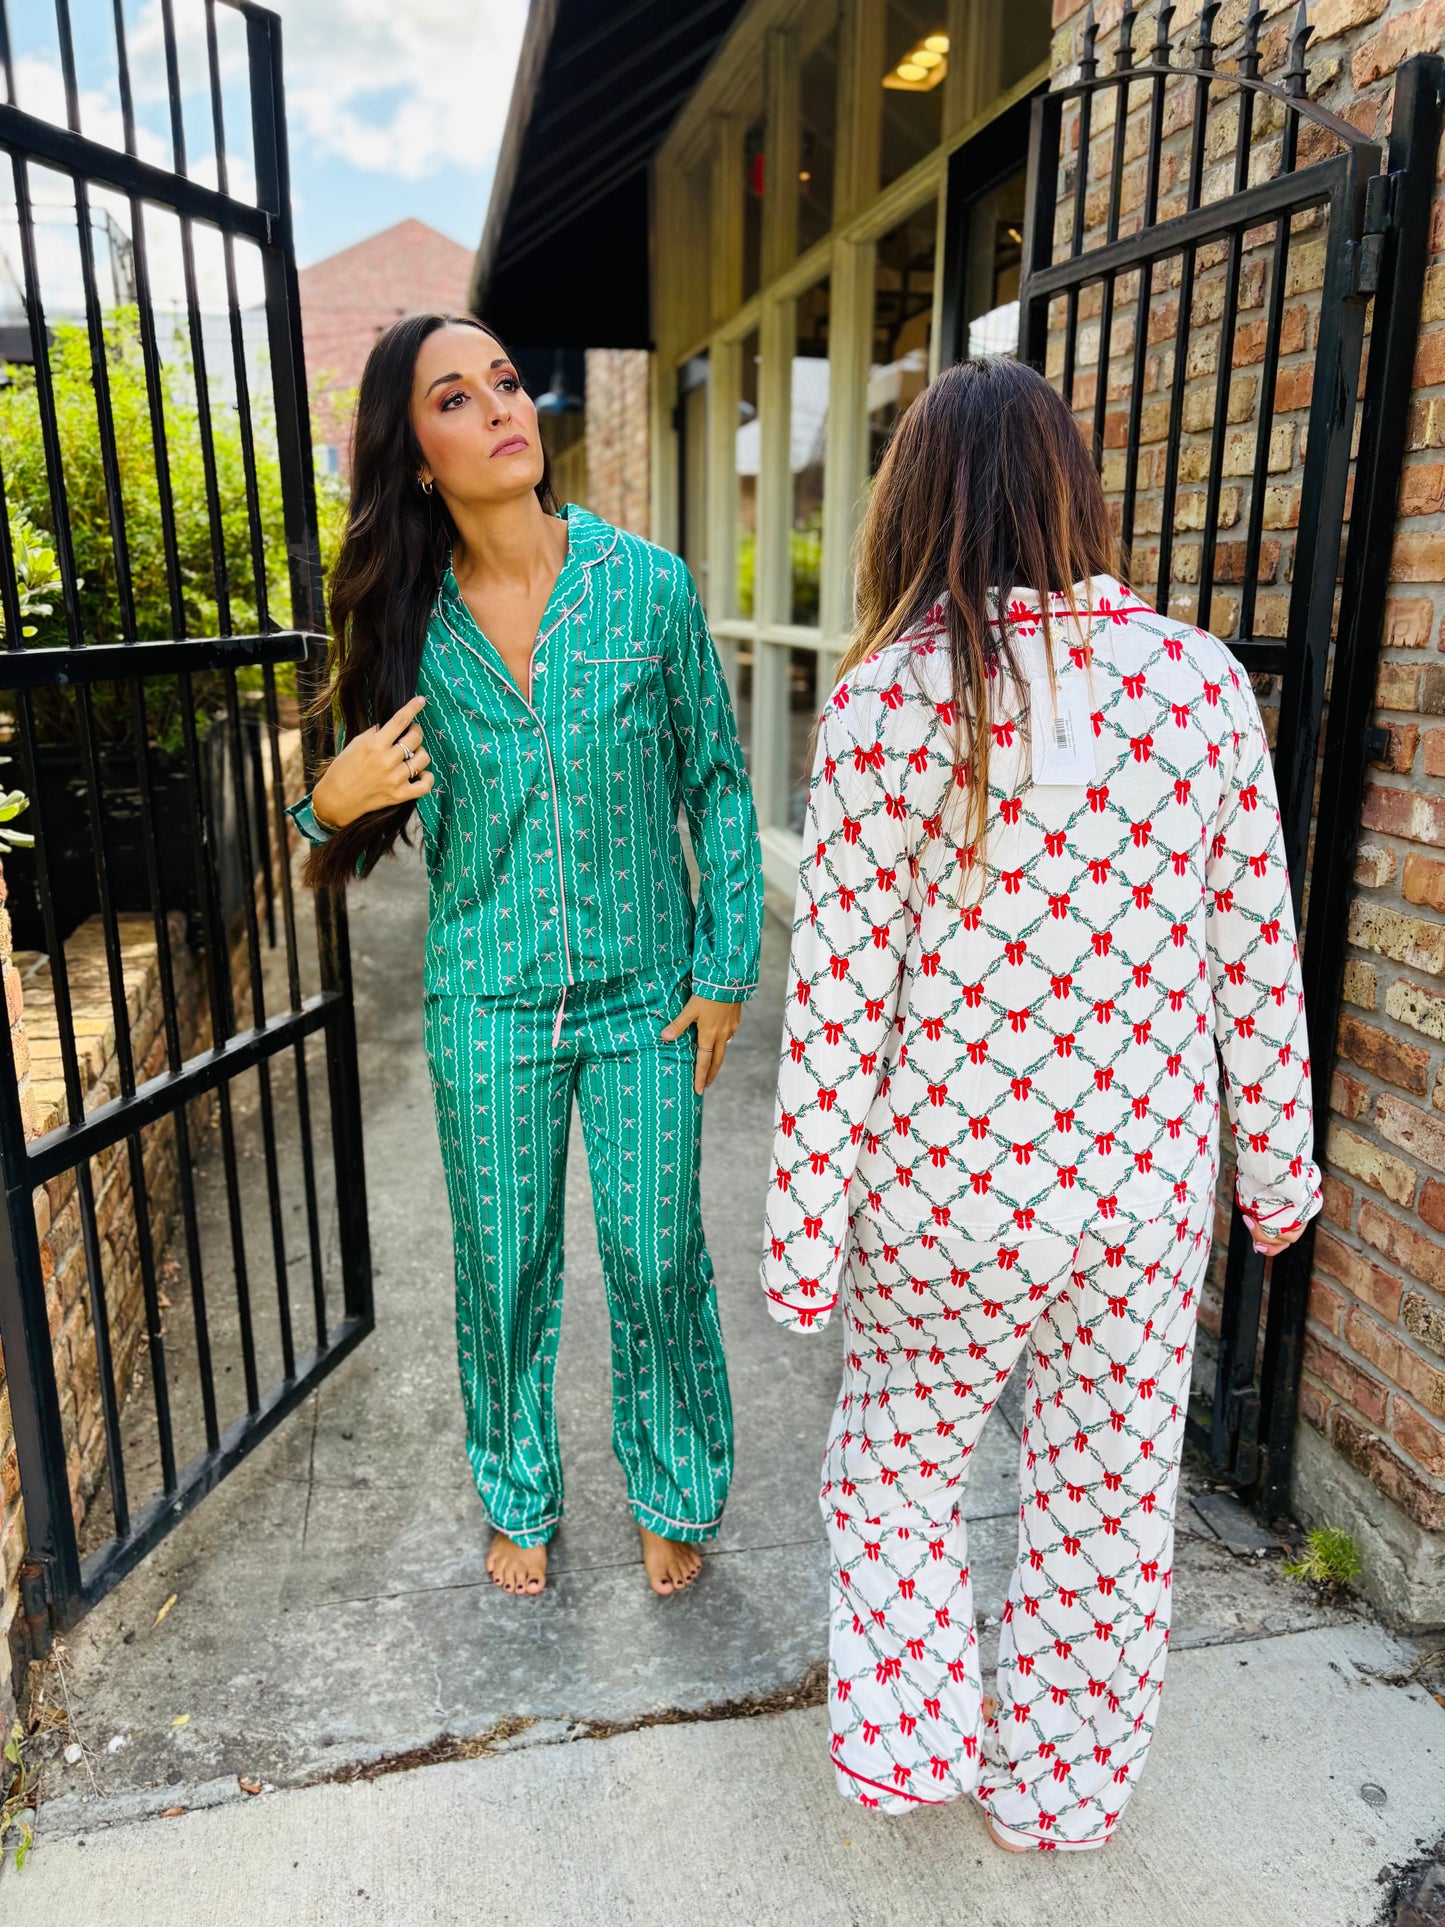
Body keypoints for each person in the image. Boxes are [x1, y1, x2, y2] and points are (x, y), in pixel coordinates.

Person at [760, 357, 1319, 1848]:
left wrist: (802, 1244)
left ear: (913, 505)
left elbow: (837, 1001)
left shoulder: (884, 705)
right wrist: (1277, 1172)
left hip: (946, 1192)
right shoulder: (1197, 686)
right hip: (1139, 1195)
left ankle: (915, 1737)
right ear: (1073, 490)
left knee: (893, 1464)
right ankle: (1056, 1790)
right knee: (1106, 1495)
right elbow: (1252, 955)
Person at [290, 313, 763, 1599]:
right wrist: (324, 805)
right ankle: (517, 1492)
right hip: (487, 1003)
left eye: (503, 381)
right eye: (455, 397)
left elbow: (718, 786)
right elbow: (334, 810)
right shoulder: (404, 626)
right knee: (503, 1268)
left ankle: (673, 1485)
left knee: (656, 1255)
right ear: (414, 453)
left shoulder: (646, 587)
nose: (502, 406)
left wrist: (723, 967)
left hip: (644, 998)